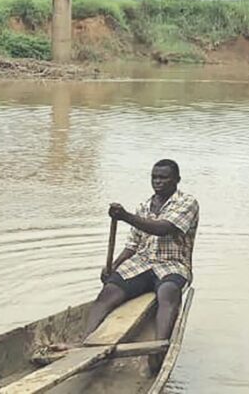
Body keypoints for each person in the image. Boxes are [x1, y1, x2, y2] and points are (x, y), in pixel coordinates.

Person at [84, 158, 199, 371]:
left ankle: (158, 350)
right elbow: (134, 244)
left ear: (177, 180)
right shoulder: (144, 206)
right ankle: (84, 345)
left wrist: (126, 216)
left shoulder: (187, 203)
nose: (158, 182)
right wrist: (114, 265)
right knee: (109, 292)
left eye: (164, 178)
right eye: (155, 177)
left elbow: (163, 228)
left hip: (172, 264)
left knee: (168, 292)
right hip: (142, 262)